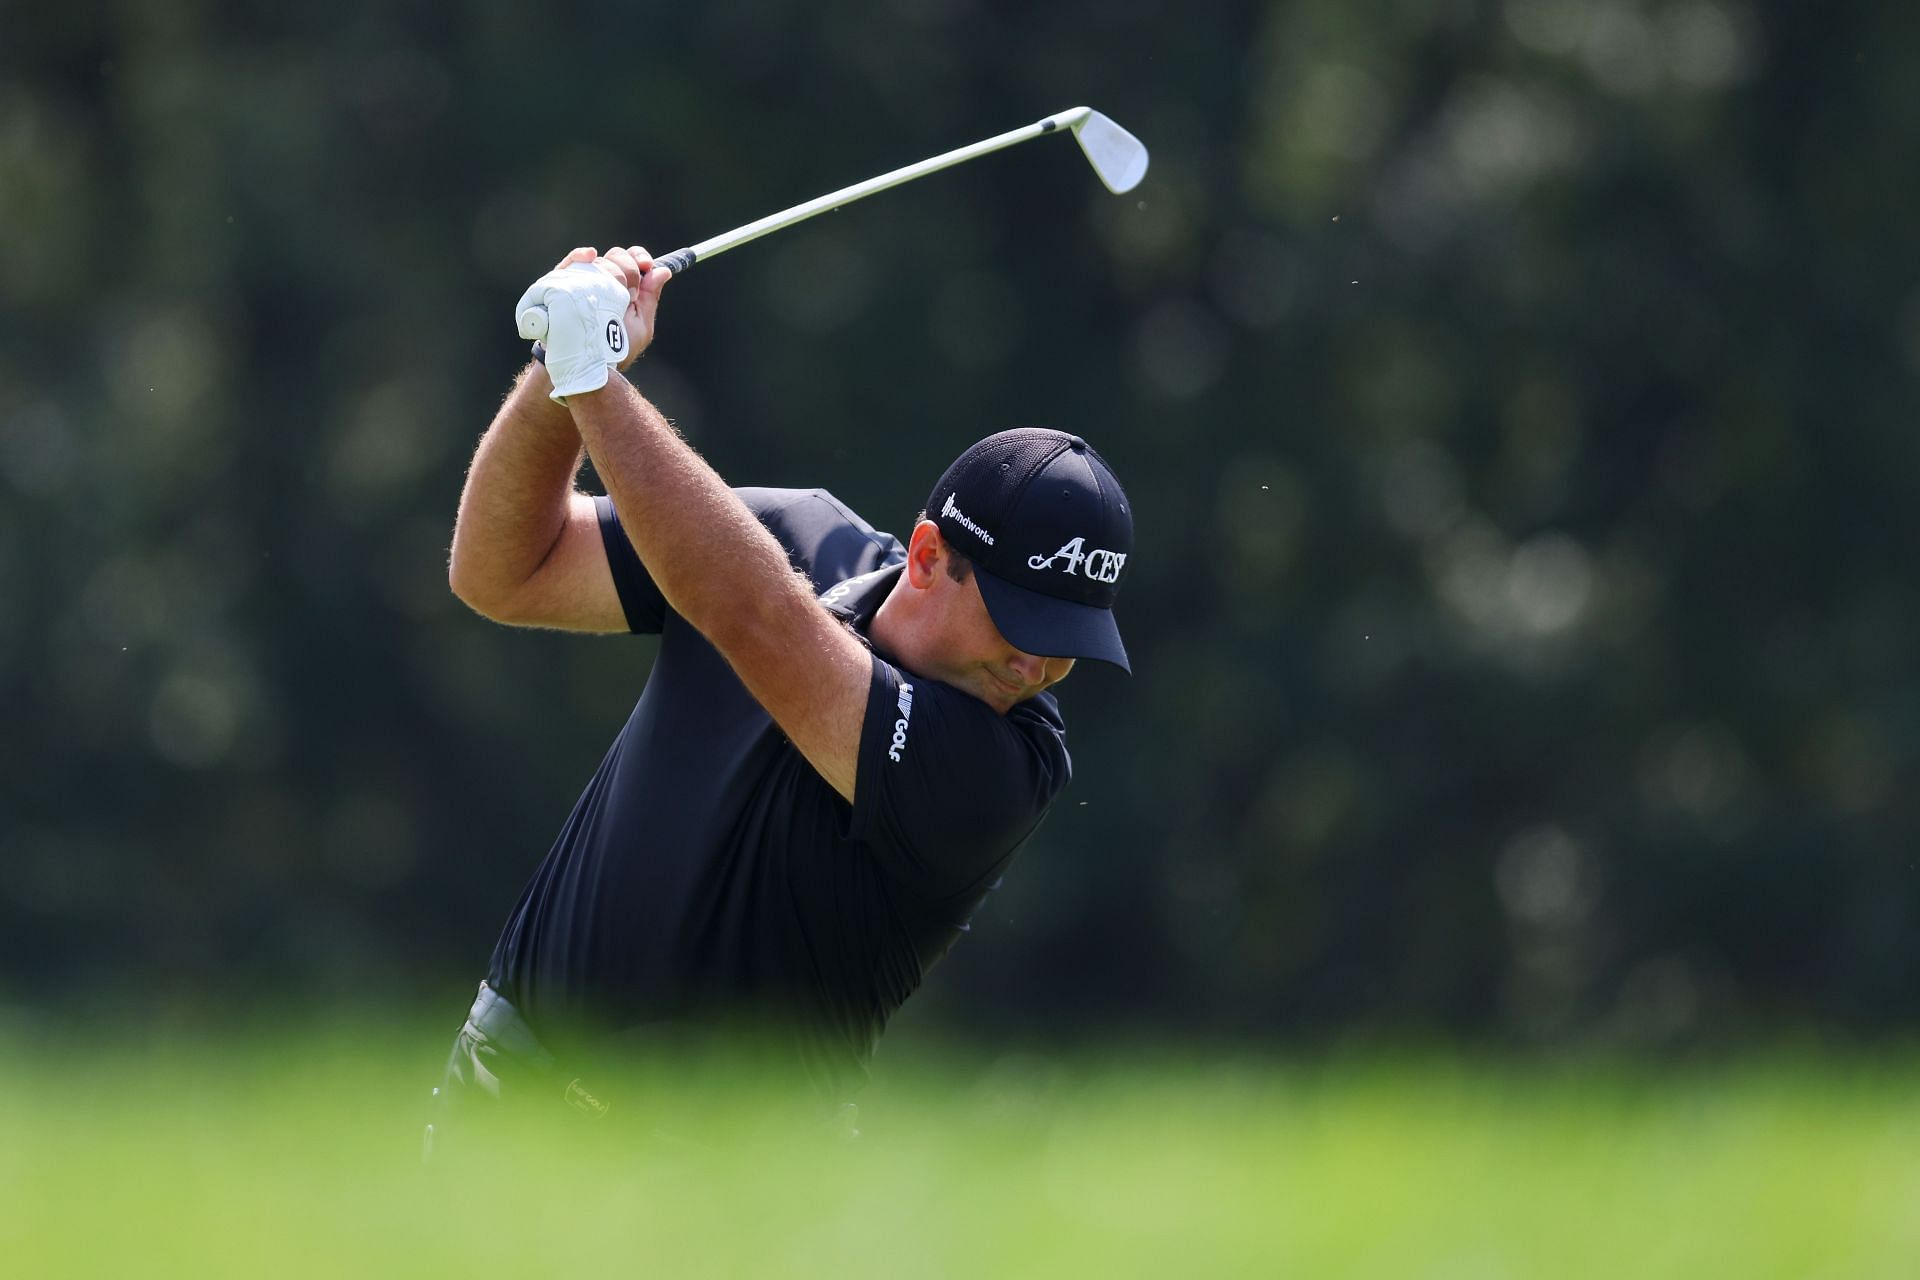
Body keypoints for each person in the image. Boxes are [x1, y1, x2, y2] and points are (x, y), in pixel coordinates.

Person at [431, 245, 1134, 1138]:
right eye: (1022, 625)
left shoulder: (1006, 767)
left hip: (732, 1173)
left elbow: (758, 621)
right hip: (507, 1093)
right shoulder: (789, 534)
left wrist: (594, 377)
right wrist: (556, 374)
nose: (1037, 669)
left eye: (1067, 644)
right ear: (926, 557)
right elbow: (502, 570)